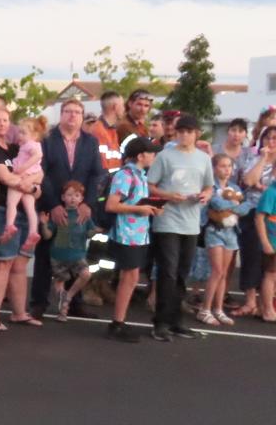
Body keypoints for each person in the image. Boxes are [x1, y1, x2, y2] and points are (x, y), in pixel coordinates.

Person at [31, 99, 105, 320]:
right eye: (68, 112)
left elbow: (97, 174)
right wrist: (53, 204)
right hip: (51, 205)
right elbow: (40, 172)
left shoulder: (90, 142)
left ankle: (75, 304)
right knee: (45, 256)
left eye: (77, 112)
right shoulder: (47, 140)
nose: (72, 116)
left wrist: (87, 203)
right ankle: (38, 304)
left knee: (77, 254)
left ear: (82, 117)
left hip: (79, 208)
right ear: (61, 115)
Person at [146, 114, 213, 341]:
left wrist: (204, 195)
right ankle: (160, 322)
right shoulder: (165, 156)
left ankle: (176, 321)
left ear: (196, 134)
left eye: (188, 131)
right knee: (168, 271)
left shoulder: (203, 159)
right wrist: (169, 195)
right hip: (167, 220)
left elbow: (209, 186)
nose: (184, 135)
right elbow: (151, 186)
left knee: (183, 273)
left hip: (191, 221)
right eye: (180, 131)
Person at [0, 106, 42, 330]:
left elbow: (40, 173)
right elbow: (5, 177)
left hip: (23, 209)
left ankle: (19, 312)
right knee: (3, 261)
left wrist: (33, 187)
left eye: (5, 120)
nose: (1, 124)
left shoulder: (18, 147)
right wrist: (30, 185)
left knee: (19, 263)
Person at [105, 137, 163, 342]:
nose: (154, 156)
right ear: (140, 155)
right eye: (151, 153)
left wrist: (149, 207)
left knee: (131, 277)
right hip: (127, 233)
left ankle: (119, 321)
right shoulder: (126, 175)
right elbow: (111, 205)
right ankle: (117, 323)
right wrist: (139, 208)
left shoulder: (140, 175)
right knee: (128, 277)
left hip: (137, 233)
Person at [200, 154, 250, 325]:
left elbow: (246, 207)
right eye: (222, 166)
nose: (226, 169)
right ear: (214, 168)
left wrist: (235, 205)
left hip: (231, 232)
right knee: (217, 271)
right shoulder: (211, 187)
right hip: (215, 230)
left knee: (224, 274)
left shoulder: (234, 187)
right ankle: (205, 309)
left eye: (229, 166)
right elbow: (217, 204)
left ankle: (218, 308)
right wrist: (235, 204)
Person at [39, 181, 97, 321]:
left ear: (82, 199)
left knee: (86, 274)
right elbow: (48, 236)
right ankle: (62, 310)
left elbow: (90, 232)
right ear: (63, 197)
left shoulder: (83, 216)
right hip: (58, 255)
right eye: (69, 195)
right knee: (60, 282)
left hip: (78, 254)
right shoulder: (59, 215)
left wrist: (96, 230)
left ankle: (69, 296)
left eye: (76, 195)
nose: (72, 198)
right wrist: (44, 224)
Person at [235, 126, 276, 317]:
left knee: (270, 265)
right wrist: (263, 159)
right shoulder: (255, 159)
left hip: (273, 216)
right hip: (253, 212)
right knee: (252, 256)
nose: (271, 142)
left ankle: (265, 303)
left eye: (275, 138)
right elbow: (250, 181)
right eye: (267, 138)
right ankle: (251, 300)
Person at [5, 116, 46, 257]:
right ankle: (33, 231)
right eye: (19, 132)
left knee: (11, 203)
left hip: (22, 177)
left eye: (23, 133)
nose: (19, 135)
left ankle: (9, 225)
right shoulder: (31, 145)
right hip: (32, 179)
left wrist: (22, 168)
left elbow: (37, 156)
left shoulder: (30, 145)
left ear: (34, 135)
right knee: (30, 209)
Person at [88, 91, 126, 172]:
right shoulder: (98, 131)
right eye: (122, 105)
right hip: (105, 181)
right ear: (115, 107)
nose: (124, 109)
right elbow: (102, 163)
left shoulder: (112, 130)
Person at [256, 176, 276, 322]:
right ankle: (268, 310)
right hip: (273, 241)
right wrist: (265, 242)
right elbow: (259, 218)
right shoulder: (271, 192)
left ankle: (263, 307)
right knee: (271, 275)